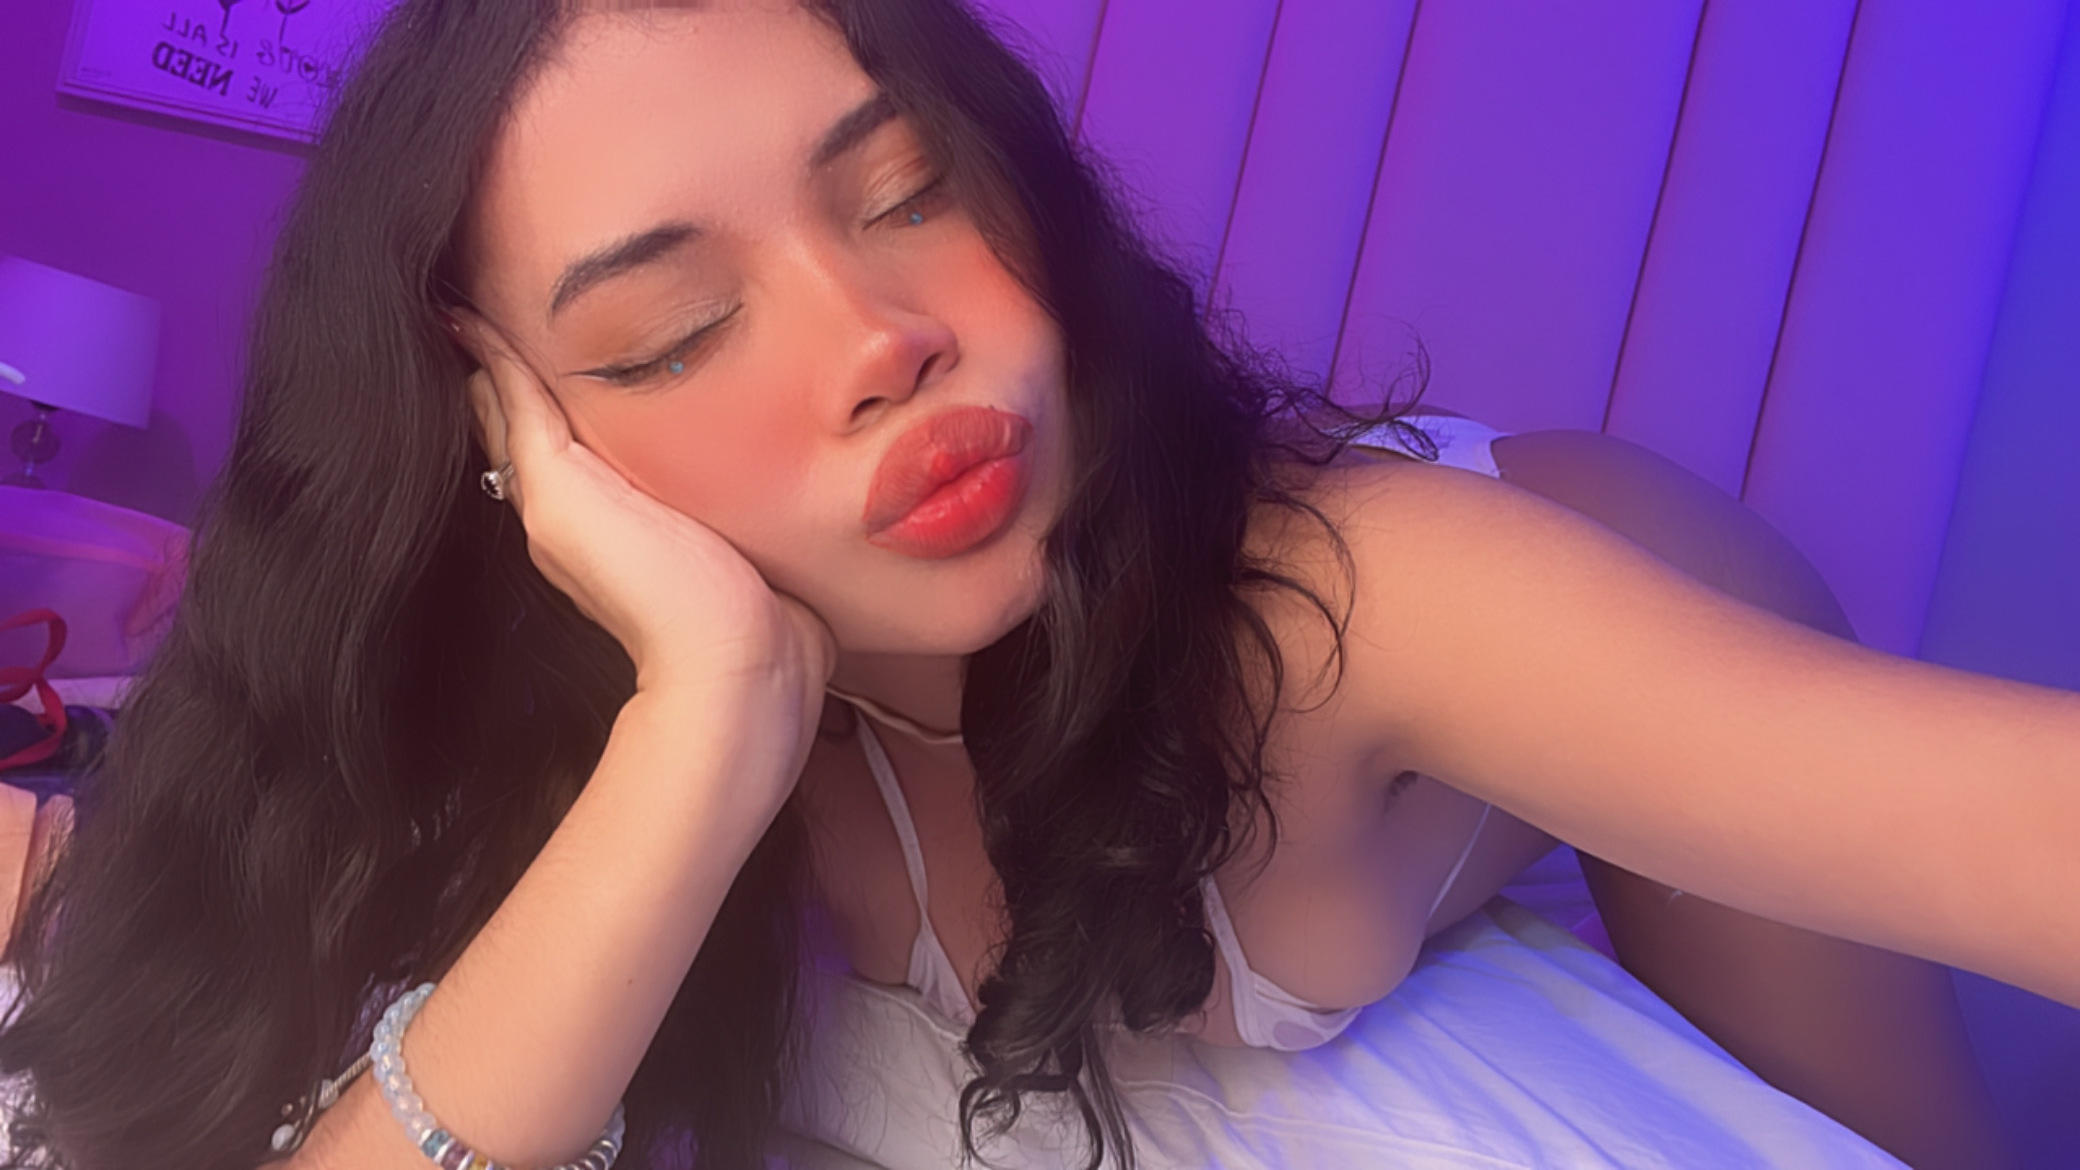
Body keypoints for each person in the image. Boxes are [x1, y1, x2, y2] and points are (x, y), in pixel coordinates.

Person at [0, 1, 2072, 1167]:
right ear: (509, 450)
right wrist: (707, 722)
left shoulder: (1361, 606)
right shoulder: (597, 711)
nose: (878, 336)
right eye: (670, 333)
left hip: (1615, 552)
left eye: (906, 192)